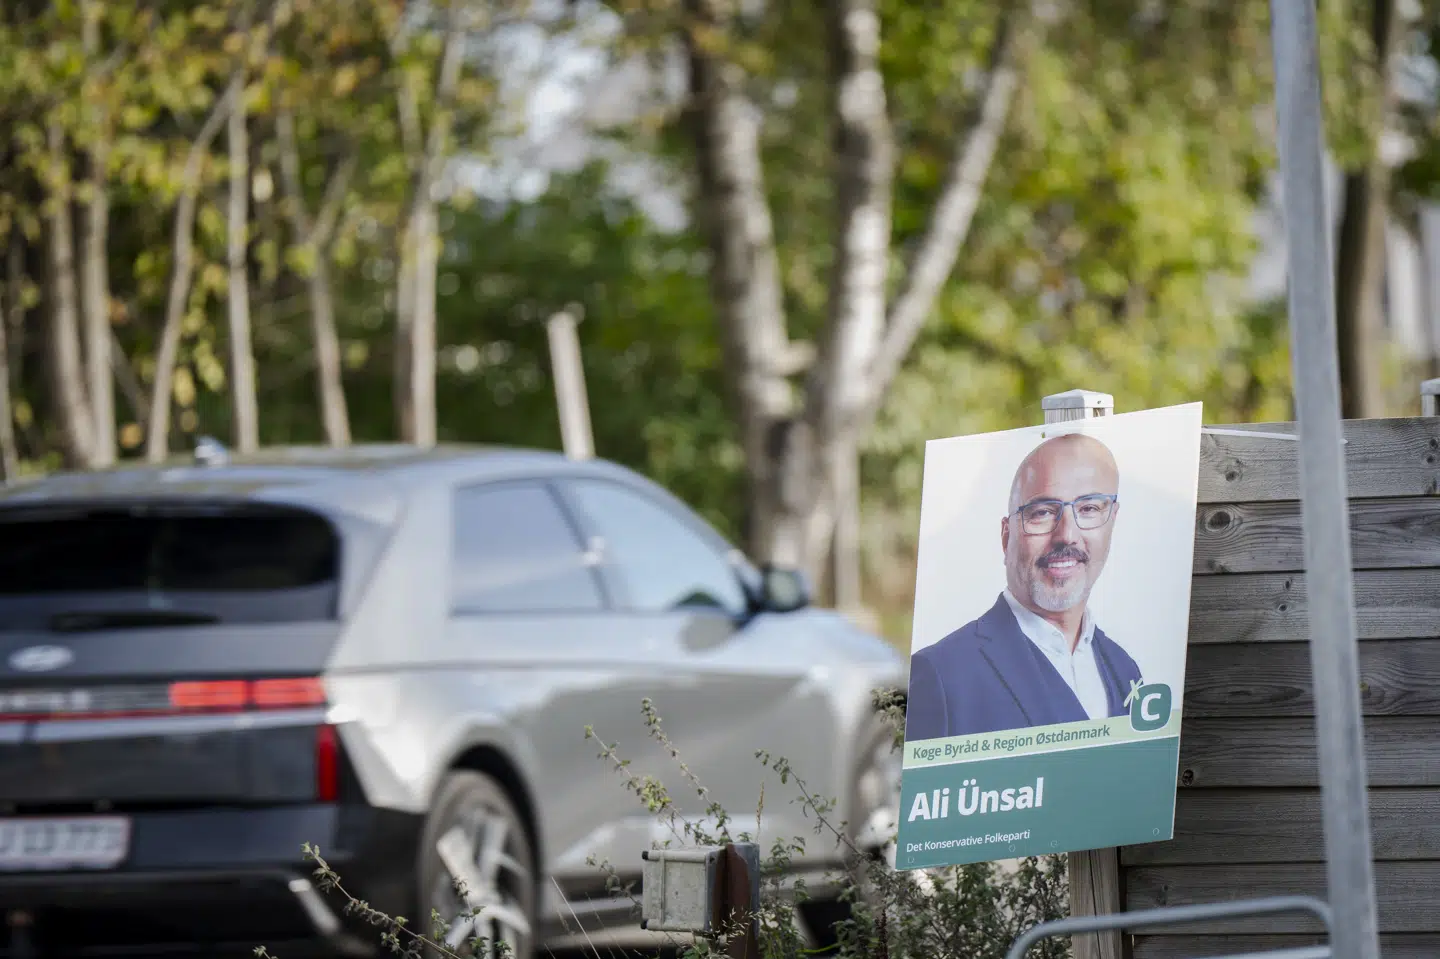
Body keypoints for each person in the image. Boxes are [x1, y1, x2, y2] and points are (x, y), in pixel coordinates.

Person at [904, 431, 1143, 741]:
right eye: (1042, 513)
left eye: (1089, 509)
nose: (1067, 535)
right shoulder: (941, 675)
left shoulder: (1126, 671)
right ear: (1007, 537)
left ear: (1112, 521)